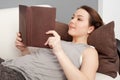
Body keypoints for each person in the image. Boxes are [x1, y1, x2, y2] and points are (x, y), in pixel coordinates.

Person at [0, 5, 104, 80]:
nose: (72, 21)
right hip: (6, 64)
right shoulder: (58, 41)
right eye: (72, 17)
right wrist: (23, 49)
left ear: (90, 29)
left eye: (79, 19)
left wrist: (58, 51)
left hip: (18, 75)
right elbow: (36, 59)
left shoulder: (89, 51)